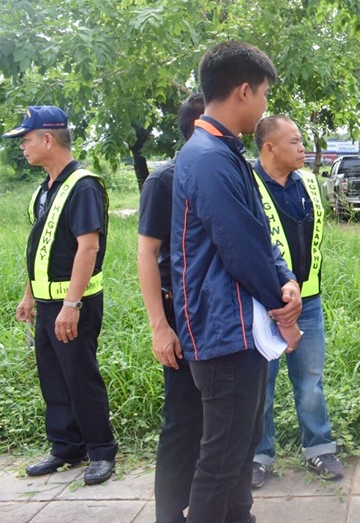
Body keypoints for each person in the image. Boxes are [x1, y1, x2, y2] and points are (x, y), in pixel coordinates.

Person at [171, 41, 302, 523]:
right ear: (244, 91)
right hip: (223, 332)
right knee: (221, 460)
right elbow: (239, 246)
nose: (265, 105)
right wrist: (284, 311)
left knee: (239, 449)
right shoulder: (208, 157)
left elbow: (258, 232)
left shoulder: (224, 153)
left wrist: (286, 279)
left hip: (239, 329)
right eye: (264, 94)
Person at [4, 105, 118, 486]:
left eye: (26, 140)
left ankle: (101, 451)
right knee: (53, 376)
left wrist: (71, 304)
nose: (22, 147)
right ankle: (66, 447)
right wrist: (29, 296)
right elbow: (42, 246)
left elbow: (88, 247)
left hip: (74, 304)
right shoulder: (46, 188)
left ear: (48, 139)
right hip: (47, 301)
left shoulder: (83, 186)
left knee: (80, 375)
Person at [249, 115, 343, 488]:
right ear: (269, 148)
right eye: (295, 142)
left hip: (308, 301)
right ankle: (258, 456)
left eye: (302, 141)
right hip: (262, 304)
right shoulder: (247, 184)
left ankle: (319, 448)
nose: (303, 148)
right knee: (261, 384)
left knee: (310, 381)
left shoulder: (308, 182)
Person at [137, 93, 205, 523]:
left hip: (217, 312)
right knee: (182, 418)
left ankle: (207, 504)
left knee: (217, 419)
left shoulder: (229, 171)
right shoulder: (165, 181)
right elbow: (147, 255)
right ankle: (169, 512)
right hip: (178, 314)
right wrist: (159, 327)